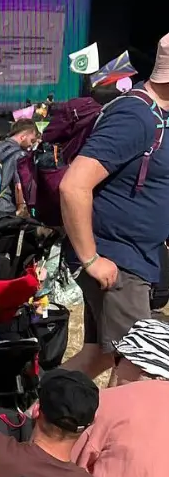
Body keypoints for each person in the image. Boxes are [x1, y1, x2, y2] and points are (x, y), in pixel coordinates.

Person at [61, 33, 169, 380]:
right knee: (141, 368)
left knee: (99, 356)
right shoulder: (135, 116)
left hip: (134, 258)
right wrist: (92, 259)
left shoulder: (158, 117)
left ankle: (33, 416)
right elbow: (74, 185)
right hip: (117, 260)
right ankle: (116, 435)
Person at [73, 318, 169, 477]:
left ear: (136, 362)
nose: (114, 369)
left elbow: (71, 467)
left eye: (118, 358)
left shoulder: (107, 402)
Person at [0, 120, 40, 218]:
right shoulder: (21, 156)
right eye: (32, 140)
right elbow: (19, 186)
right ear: (23, 137)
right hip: (5, 210)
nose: (31, 145)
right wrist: (21, 210)